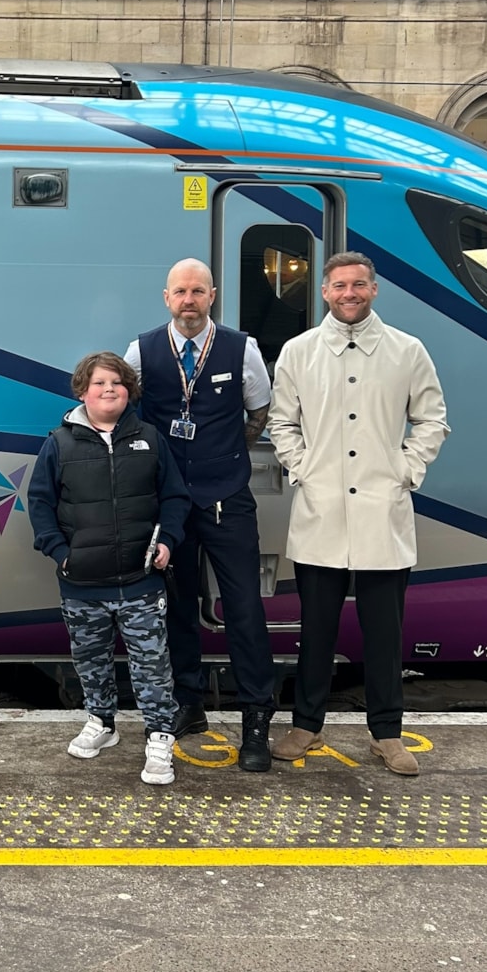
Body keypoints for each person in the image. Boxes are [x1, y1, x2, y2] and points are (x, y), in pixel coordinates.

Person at [268, 253, 449, 775]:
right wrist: (302, 469)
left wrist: (405, 471)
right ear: (324, 291)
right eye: (340, 285)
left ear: (374, 290)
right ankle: (306, 724)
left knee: (385, 633)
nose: (350, 292)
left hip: (381, 511)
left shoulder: (406, 351)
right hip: (321, 512)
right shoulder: (298, 352)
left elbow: (432, 419)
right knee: (316, 630)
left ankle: (386, 733)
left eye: (360, 284)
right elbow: (282, 423)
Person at [125, 258, 277, 771]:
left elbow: (259, 411)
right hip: (169, 503)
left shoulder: (242, 348)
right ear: (166, 297)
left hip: (228, 499)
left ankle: (256, 718)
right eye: (179, 292)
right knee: (176, 608)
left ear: (213, 295)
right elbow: (128, 413)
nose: (188, 301)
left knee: (244, 610)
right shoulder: (141, 350)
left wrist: (226, 455)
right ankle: (188, 704)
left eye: (197, 292)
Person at [28, 352, 190, 785]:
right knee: (91, 661)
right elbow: (40, 503)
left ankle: (159, 737)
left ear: (128, 391)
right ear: (83, 390)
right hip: (82, 583)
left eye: (117, 383)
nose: (109, 390)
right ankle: (102, 723)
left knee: (152, 664)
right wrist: (61, 552)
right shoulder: (59, 444)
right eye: (100, 383)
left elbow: (175, 498)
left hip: (141, 582)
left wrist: (168, 541)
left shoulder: (151, 439)